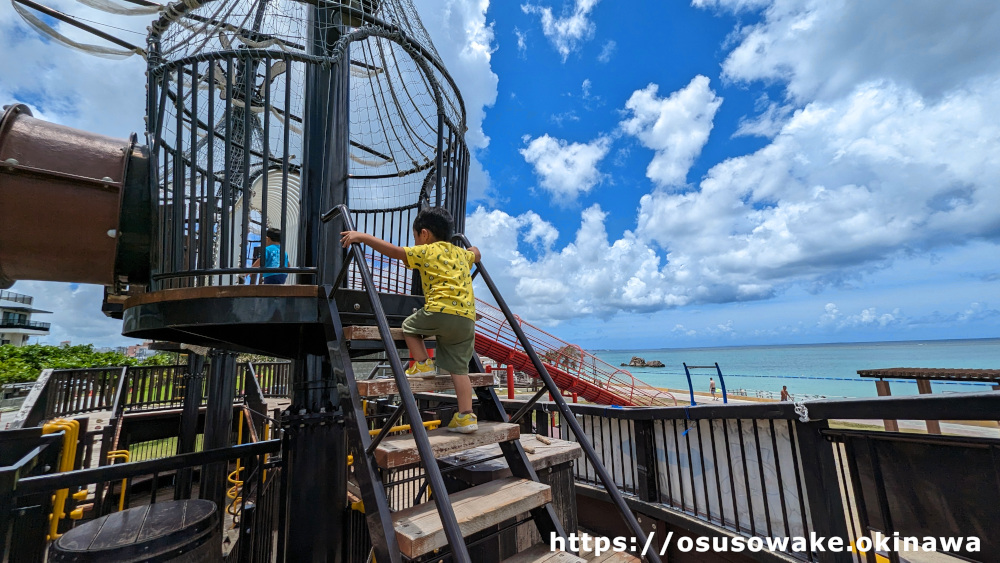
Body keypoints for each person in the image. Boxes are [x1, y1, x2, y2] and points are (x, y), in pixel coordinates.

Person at [341, 207, 482, 434]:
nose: (414, 242)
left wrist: (363, 236)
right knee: (460, 370)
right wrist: (474, 250)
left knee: (409, 326)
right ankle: (466, 416)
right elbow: (476, 254)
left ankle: (423, 363)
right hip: (466, 318)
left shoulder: (426, 251)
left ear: (424, 234)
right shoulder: (461, 254)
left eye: (415, 237)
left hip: (438, 311)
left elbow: (394, 252)